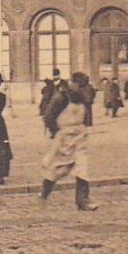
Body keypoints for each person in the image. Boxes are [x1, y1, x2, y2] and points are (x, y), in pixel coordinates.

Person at [38, 82, 97, 210]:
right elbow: (48, 117)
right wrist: (57, 132)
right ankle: (43, 193)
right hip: (65, 138)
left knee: (83, 167)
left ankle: (83, 201)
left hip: (80, 137)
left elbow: (87, 115)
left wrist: (85, 128)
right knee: (58, 168)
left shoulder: (84, 99)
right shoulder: (61, 99)